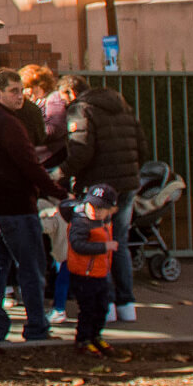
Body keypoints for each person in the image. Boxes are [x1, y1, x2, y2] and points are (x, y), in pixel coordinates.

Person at [0, 67, 67, 343]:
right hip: (13, 205)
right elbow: (28, 164)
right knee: (30, 268)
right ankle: (36, 326)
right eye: (14, 91)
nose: (20, 96)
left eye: (21, 90)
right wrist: (58, 192)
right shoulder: (7, 123)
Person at [62, 76, 145, 323]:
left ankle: (105, 303)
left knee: (98, 241)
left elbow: (81, 151)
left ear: (71, 92)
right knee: (118, 242)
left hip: (98, 189)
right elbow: (142, 148)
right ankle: (127, 303)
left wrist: (61, 172)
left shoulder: (80, 109)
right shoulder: (124, 107)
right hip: (127, 184)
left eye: (63, 97)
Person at [69, 184, 125, 358]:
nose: (95, 211)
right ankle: (83, 339)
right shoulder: (81, 222)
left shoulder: (105, 221)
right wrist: (104, 247)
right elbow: (78, 245)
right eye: (93, 206)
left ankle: (96, 335)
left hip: (100, 273)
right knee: (88, 309)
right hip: (84, 275)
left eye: (101, 208)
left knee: (102, 307)